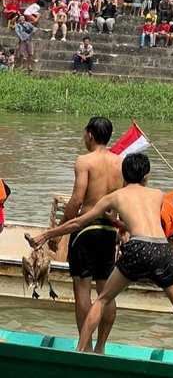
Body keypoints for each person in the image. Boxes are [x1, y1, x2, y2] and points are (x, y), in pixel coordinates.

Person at [28, 154, 173, 367]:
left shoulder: (114, 197)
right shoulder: (158, 194)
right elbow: (142, 223)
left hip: (138, 249)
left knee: (102, 300)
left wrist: (45, 235)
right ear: (146, 177)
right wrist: (116, 222)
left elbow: (77, 222)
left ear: (123, 175)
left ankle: (79, 354)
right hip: (163, 249)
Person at [29, 117, 123, 353]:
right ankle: (101, 347)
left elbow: (77, 200)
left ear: (90, 135)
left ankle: (86, 347)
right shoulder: (120, 163)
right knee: (106, 292)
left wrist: (59, 230)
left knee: (82, 291)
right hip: (109, 230)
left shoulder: (84, 161)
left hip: (86, 230)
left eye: (85, 134)